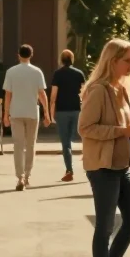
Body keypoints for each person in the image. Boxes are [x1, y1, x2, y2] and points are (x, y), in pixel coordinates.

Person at [79, 39, 130, 257]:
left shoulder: (123, 89)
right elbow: (85, 128)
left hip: (121, 165)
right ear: (112, 61)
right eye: (127, 60)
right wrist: (122, 131)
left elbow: (125, 123)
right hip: (103, 167)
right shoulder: (98, 90)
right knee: (104, 226)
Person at [2, 44, 50, 191]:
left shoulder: (11, 72)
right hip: (32, 112)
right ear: (31, 55)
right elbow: (42, 94)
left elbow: (8, 95)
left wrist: (5, 114)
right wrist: (47, 113)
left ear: (18, 55)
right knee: (30, 145)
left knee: (18, 145)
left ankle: (20, 176)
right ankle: (28, 175)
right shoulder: (37, 72)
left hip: (16, 113)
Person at [50, 49, 85, 182]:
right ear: (72, 59)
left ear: (61, 60)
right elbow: (84, 93)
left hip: (62, 111)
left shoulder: (57, 74)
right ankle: (89, 164)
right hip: (77, 110)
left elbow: (53, 96)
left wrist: (51, 112)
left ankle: (69, 170)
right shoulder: (79, 74)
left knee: (66, 143)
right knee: (83, 137)